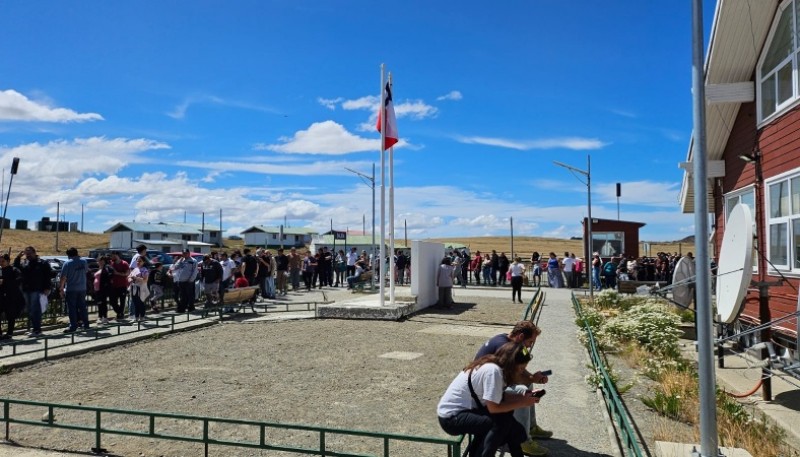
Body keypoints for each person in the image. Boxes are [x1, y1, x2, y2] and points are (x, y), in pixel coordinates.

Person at [437, 342, 539, 457]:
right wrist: (522, 402)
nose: (521, 372)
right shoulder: (493, 371)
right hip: (451, 418)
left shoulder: (496, 367)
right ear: (511, 364)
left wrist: (525, 396)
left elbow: (498, 397)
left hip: (466, 412)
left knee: (508, 419)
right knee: (501, 423)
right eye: (521, 368)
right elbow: (494, 408)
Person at [474, 322, 552, 456]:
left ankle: (530, 427)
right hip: (483, 390)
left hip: (495, 382)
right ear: (521, 336)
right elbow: (514, 376)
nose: (530, 345)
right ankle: (523, 441)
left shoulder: (511, 341)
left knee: (528, 386)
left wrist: (532, 377)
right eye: (530, 341)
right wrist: (532, 378)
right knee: (522, 391)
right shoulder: (505, 347)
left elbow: (519, 368)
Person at [14, 246, 52, 337]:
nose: (28, 255)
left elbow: (48, 276)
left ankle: (37, 330)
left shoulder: (42, 263)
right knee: (30, 310)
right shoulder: (25, 263)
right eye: (26, 254)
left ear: (35, 253)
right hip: (27, 289)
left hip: (37, 289)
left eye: (30, 253)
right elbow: (16, 268)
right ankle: (34, 329)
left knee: (35, 310)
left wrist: (47, 287)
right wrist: (18, 257)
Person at [59, 247, 90, 332]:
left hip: (71, 288)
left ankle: (73, 325)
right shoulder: (84, 262)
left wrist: (61, 288)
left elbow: (63, 277)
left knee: (72, 308)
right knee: (83, 307)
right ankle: (86, 324)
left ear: (68, 255)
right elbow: (86, 272)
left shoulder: (67, 264)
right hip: (82, 288)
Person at [0, 253, 25, 340]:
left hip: (12, 297)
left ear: (8, 261)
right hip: (1, 297)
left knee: (11, 315)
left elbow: (19, 279)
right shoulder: (0, 270)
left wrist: (6, 282)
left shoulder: (14, 270)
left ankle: (9, 333)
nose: (1, 263)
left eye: (3, 261)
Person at [108, 252, 130, 321]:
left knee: (122, 301)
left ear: (117, 256)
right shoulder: (111, 263)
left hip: (122, 285)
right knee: (112, 301)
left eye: (113, 256)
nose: (111, 257)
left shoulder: (124, 263)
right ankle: (120, 313)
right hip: (113, 286)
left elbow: (127, 273)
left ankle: (120, 315)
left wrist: (117, 273)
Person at [94, 256, 115, 324]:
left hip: (103, 288)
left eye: (101, 261)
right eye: (99, 261)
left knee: (103, 303)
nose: (99, 262)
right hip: (97, 288)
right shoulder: (98, 268)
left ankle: (104, 317)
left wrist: (107, 282)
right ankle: (100, 317)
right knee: (99, 303)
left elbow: (111, 274)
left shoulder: (107, 267)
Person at [128, 257, 150, 322]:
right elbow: (129, 277)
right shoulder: (134, 269)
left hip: (141, 288)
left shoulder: (144, 270)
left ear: (143, 262)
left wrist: (136, 278)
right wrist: (130, 279)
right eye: (137, 261)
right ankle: (136, 317)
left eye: (140, 261)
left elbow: (145, 280)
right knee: (135, 303)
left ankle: (142, 317)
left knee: (141, 303)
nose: (138, 262)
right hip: (134, 287)